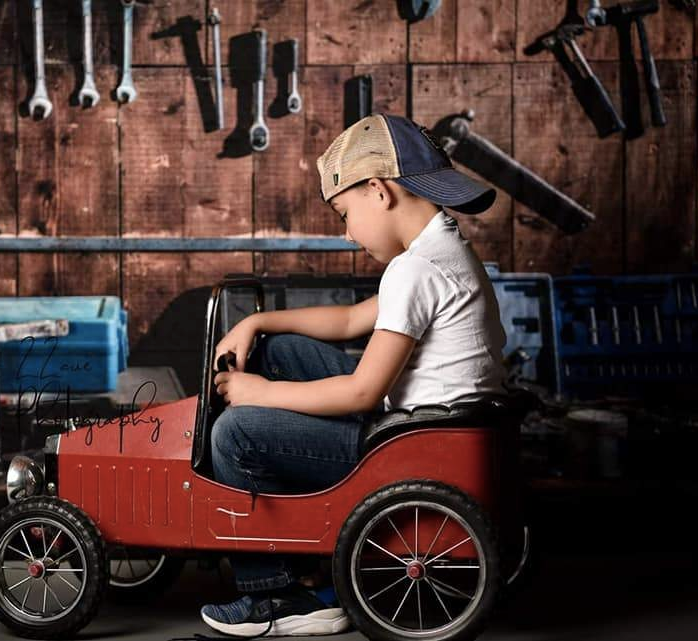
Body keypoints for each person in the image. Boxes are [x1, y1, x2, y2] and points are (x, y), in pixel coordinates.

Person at [198, 113, 508, 638]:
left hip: (408, 445)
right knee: (283, 349)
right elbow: (347, 321)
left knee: (235, 432)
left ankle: (279, 595)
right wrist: (256, 321)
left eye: (344, 213)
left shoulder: (417, 270)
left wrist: (260, 393)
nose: (346, 235)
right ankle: (298, 553)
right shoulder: (438, 250)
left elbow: (364, 390)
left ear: (379, 192)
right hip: (425, 429)